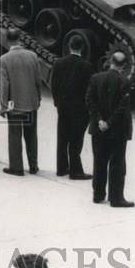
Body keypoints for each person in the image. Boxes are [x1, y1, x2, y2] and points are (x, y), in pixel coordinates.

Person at [86, 51, 135, 207]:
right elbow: (123, 107)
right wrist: (109, 122)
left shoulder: (95, 78)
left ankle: (98, 194)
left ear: (110, 61)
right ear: (124, 66)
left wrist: (99, 120)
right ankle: (116, 198)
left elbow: (90, 101)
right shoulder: (124, 82)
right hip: (117, 130)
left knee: (99, 162)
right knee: (117, 164)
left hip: (98, 128)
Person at [0, 28, 45, 176]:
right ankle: (33, 166)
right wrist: (38, 98)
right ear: (20, 39)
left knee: (14, 135)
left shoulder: (4, 59)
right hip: (31, 103)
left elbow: (4, 86)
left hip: (14, 105)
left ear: (7, 40)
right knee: (31, 135)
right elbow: (38, 81)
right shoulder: (33, 56)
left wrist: (3, 106)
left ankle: (16, 167)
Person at [50, 39, 95, 180]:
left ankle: (61, 168)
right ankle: (75, 171)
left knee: (62, 137)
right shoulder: (87, 66)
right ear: (82, 48)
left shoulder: (59, 63)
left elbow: (53, 84)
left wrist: (57, 102)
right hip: (79, 108)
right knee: (76, 139)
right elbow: (90, 90)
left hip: (63, 107)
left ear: (69, 47)